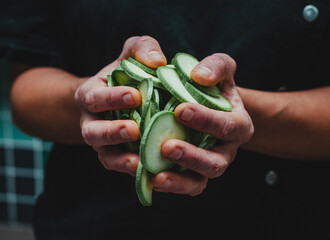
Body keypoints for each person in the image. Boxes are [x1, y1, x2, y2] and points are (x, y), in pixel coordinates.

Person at [1, 0, 330, 239]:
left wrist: (233, 117)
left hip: (283, 220)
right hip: (92, 222)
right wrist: (92, 99)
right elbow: (26, 88)